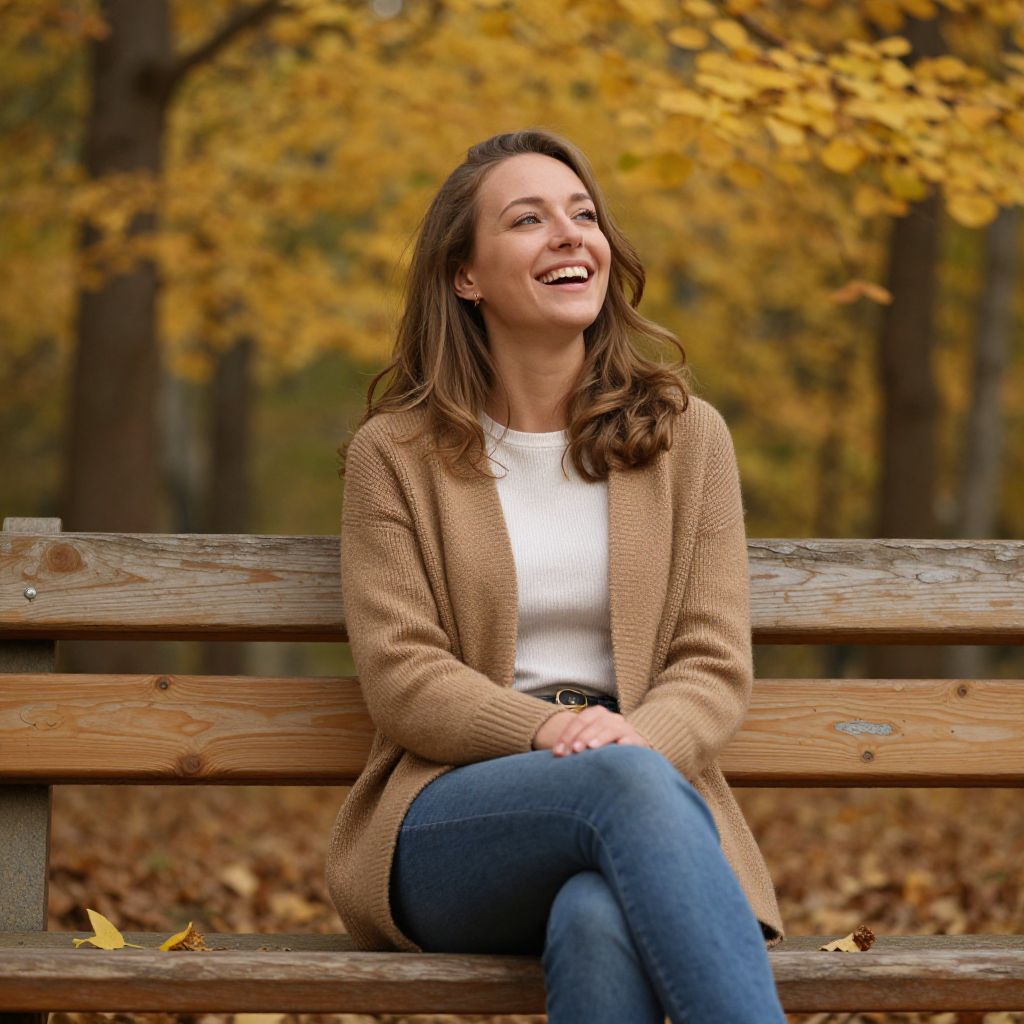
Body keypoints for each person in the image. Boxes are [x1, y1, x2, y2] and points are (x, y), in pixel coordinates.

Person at [326, 127, 788, 1023]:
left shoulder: (687, 438)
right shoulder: (397, 455)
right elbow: (405, 679)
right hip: (450, 822)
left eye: (583, 215)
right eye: (529, 220)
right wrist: (556, 734)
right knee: (623, 784)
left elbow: (712, 662)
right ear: (466, 275)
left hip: (638, 797)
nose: (570, 235)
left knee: (595, 919)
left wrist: (626, 745)